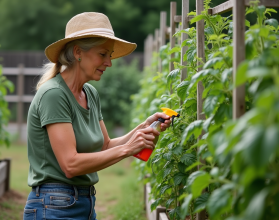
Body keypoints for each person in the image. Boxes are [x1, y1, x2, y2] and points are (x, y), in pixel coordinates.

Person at [23, 12, 171, 220]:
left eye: (109, 55)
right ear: (77, 52)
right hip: (54, 206)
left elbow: (105, 145)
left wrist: (144, 126)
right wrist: (128, 149)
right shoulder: (54, 94)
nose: (109, 62)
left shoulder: (89, 93)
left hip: (84, 203)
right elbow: (70, 165)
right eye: (103, 54)